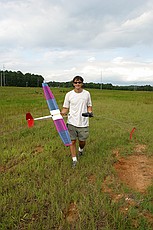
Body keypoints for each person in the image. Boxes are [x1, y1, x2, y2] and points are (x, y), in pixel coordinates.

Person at [61, 76, 93, 168]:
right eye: (75, 82)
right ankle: (74, 159)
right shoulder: (69, 95)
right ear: (73, 83)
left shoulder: (87, 94)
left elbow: (89, 105)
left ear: (82, 83)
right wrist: (61, 113)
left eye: (79, 82)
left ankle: (81, 149)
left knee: (82, 141)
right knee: (72, 141)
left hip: (83, 122)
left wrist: (89, 112)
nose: (77, 84)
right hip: (71, 122)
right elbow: (65, 108)